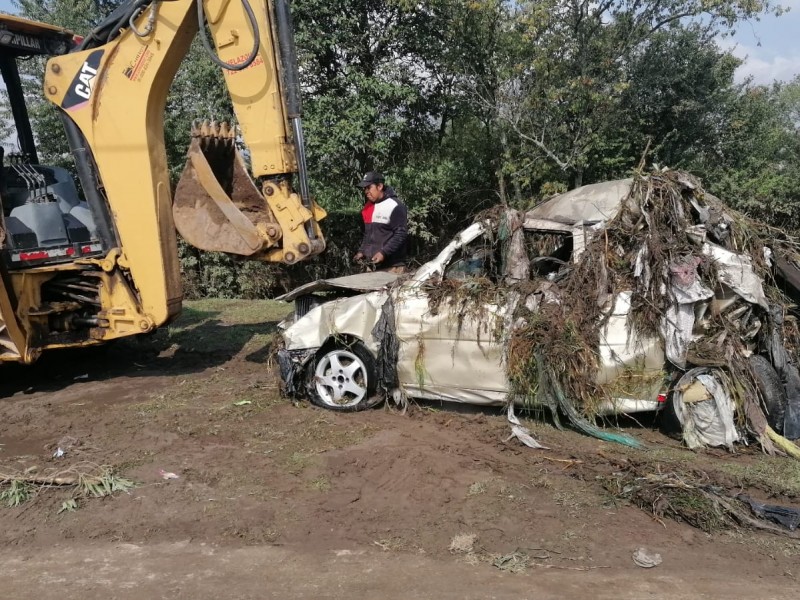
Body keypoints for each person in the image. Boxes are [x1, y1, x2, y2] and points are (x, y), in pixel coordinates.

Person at [354, 171, 408, 273]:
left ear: (379, 186)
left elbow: (401, 234)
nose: (366, 191)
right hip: (372, 265)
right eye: (364, 188)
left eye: (369, 187)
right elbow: (368, 234)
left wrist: (383, 253)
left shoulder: (395, 206)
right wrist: (362, 251)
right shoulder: (367, 207)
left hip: (392, 267)